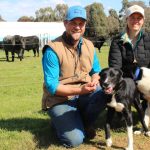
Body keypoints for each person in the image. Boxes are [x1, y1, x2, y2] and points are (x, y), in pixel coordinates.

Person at [41, 5, 107, 148]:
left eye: (81, 23)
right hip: (59, 99)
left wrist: (95, 79)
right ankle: (58, 123)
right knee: (75, 140)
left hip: (83, 93)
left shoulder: (89, 45)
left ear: (85, 25)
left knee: (103, 92)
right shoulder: (52, 49)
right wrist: (80, 90)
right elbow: (52, 86)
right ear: (65, 23)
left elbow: (96, 71)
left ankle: (80, 123)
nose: (77, 27)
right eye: (73, 23)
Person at [109, 4, 150, 78]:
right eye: (132, 18)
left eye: (139, 18)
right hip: (125, 84)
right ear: (127, 19)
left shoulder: (149, 39)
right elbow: (115, 68)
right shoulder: (117, 41)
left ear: (143, 21)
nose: (135, 21)